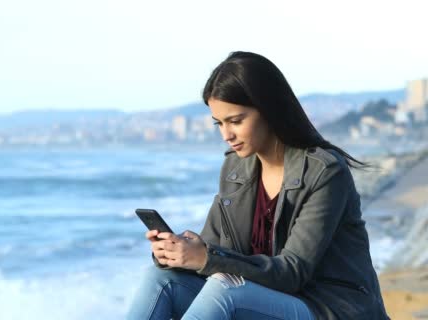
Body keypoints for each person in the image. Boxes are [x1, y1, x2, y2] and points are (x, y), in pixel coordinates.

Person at [126, 51, 389, 320]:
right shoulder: (236, 169)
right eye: (219, 123)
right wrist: (177, 252)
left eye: (236, 121)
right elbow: (214, 250)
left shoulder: (324, 172)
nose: (226, 135)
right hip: (264, 303)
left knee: (226, 291)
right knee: (160, 278)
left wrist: (206, 257)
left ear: (269, 110)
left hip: (329, 309)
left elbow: (292, 273)